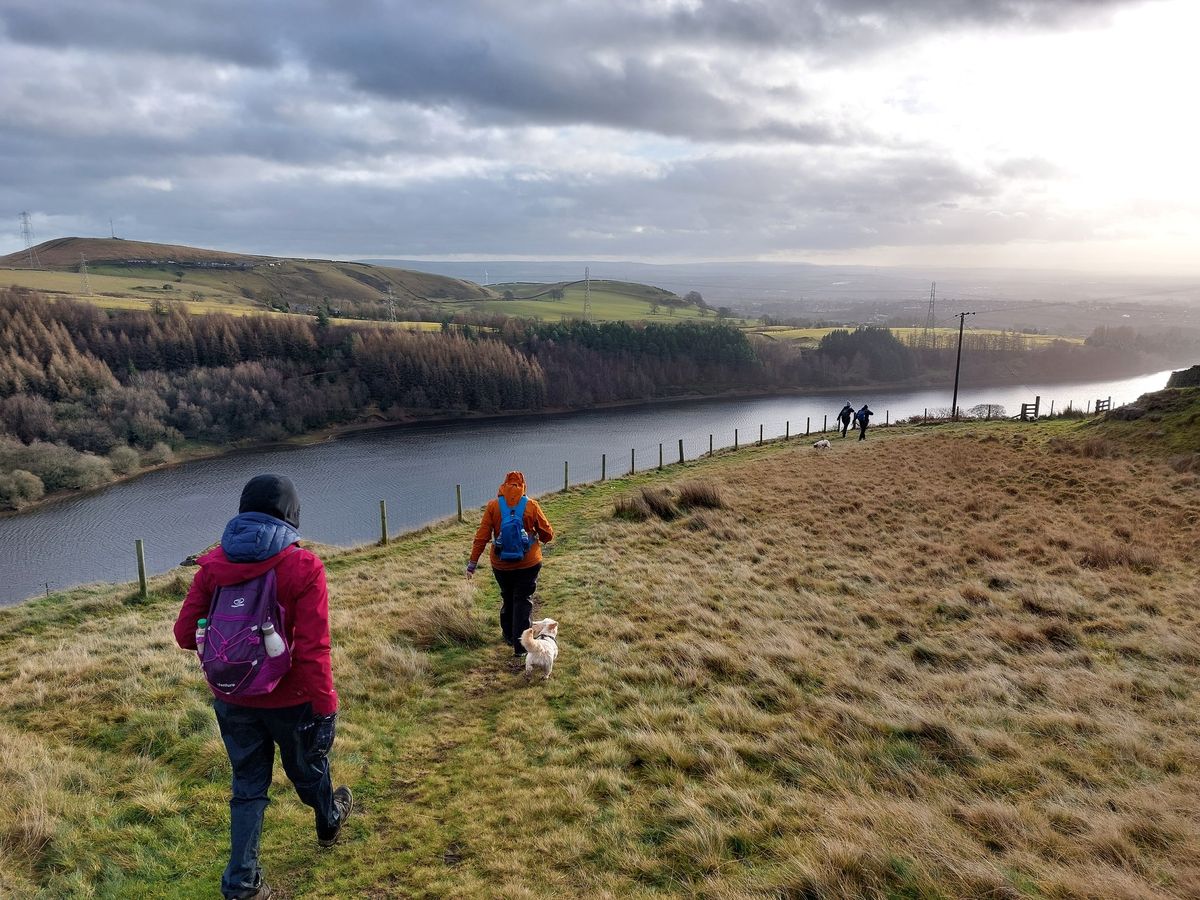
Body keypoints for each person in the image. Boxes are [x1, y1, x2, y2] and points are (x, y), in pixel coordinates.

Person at [174, 474, 351, 900]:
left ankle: (242, 884)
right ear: (291, 514)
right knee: (307, 770)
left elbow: (184, 634)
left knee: (248, 787)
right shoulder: (303, 566)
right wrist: (325, 707)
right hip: (291, 701)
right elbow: (313, 650)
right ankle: (328, 821)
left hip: (231, 698)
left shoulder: (213, 566)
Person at [466, 471, 555, 656]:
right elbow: (548, 534)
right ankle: (521, 648)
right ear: (523, 486)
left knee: (507, 597)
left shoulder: (493, 506)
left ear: (503, 485)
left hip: (501, 564)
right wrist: (536, 535)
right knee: (523, 600)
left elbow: (481, 537)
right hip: (528, 563)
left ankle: (508, 635)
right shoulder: (531, 505)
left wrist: (472, 564)